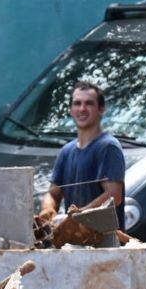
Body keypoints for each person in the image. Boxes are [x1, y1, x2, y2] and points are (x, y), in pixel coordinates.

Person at [37, 81, 125, 227]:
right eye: (77, 103)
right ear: (71, 110)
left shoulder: (108, 147)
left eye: (89, 103)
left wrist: (77, 217)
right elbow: (53, 193)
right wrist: (48, 209)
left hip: (105, 244)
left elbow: (114, 195)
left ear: (101, 109)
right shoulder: (66, 152)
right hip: (73, 243)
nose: (82, 109)